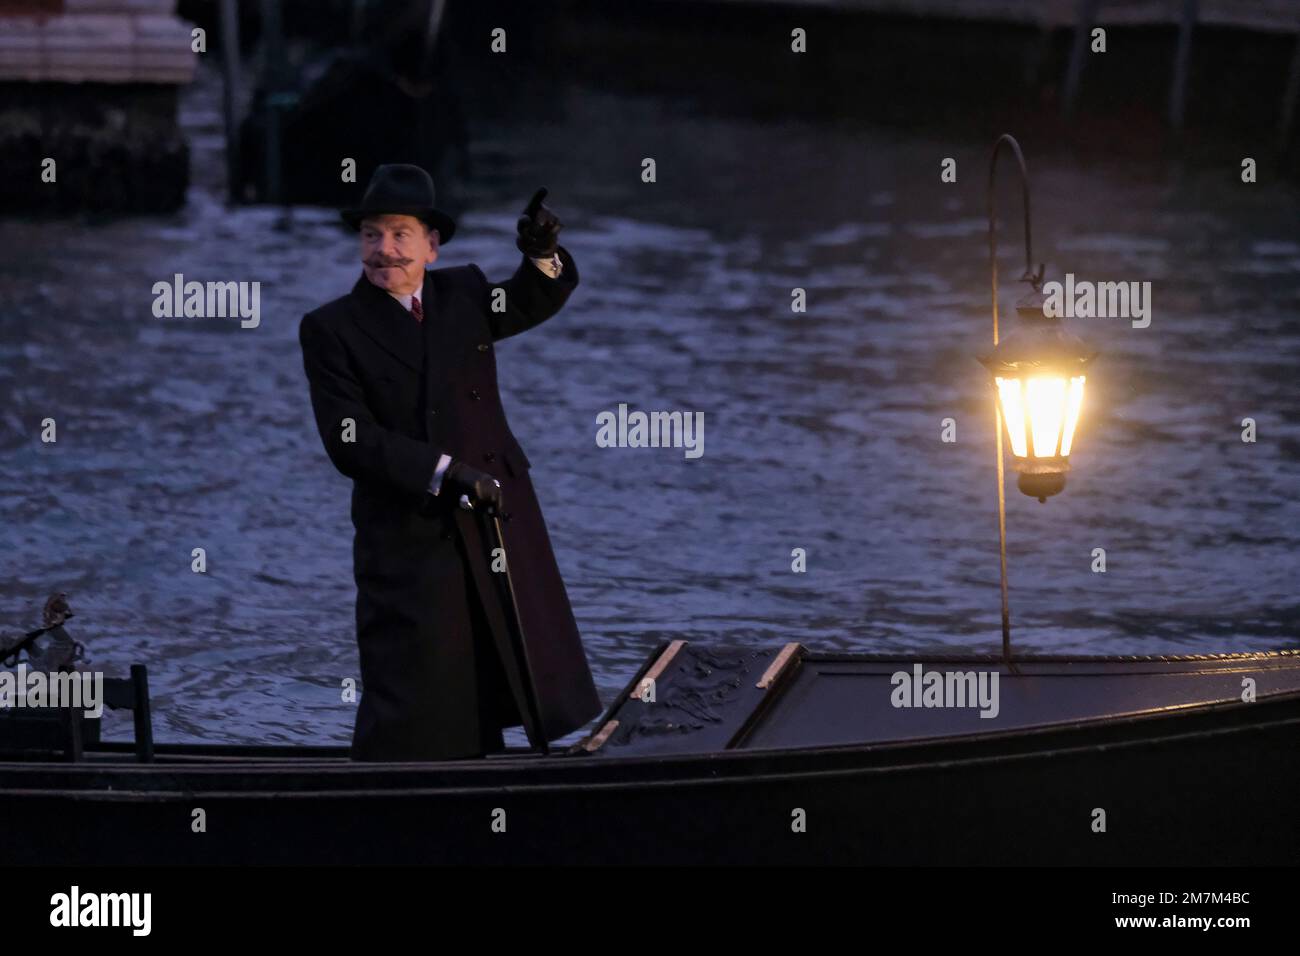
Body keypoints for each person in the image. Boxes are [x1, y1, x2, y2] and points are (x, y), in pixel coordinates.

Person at [298, 163, 601, 760]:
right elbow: (348, 439)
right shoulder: (331, 328)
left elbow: (530, 297)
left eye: (400, 234)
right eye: (371, 235)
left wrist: (542, 252)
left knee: (509, 658)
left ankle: (510, 783)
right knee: (420, 682)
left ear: (431, 247)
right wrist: (444, 471)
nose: (383, 250)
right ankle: (404, 797)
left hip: (495, 516)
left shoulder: (463, 294)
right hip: (409, 532)